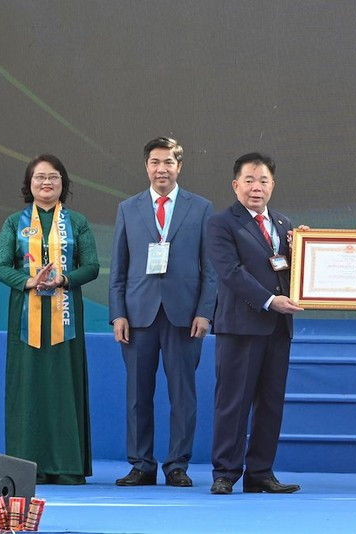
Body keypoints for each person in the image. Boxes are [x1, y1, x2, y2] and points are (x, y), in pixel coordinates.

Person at [109, 137, 217, 487]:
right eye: (155, 162)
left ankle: (176, 465)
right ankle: (141, 464)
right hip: (138, 315)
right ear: (146, 166)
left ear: (179, 167)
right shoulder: (128, 208)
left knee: (183, 394)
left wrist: (205, 311)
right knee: (138, 395)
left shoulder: (200, 208)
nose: (161, 169)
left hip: (185, 317)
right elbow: (118, 268)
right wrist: (118, 314)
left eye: (169, 162)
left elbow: (210, 268)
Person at [0, 154, 99, 484]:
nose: (47, 183)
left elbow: (92, 266)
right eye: (40, 178)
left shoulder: (78, 222)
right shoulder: (14, 222)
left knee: (63, 386)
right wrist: (28, 282)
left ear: (64, 183)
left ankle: (66, 466)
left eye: (54, 177)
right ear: (29, 184)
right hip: (24, 320)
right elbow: (0, 266)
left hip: (65, 317)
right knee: (27, 388)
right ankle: (25, 468)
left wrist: (64, 280)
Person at [208, 152, 303, 495]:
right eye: (249, 180)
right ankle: (225, 472)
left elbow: (295, 272)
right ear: (236, 185)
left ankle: (261, 471)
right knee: (233, 401)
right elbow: (230, 272)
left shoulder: (284, 225)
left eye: (263, 181)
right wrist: (269, 300)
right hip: (241, 326)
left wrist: (306, 250)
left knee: (271, 401)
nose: (256, 187)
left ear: (273, 185)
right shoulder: (221, 223)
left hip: (278, 328)